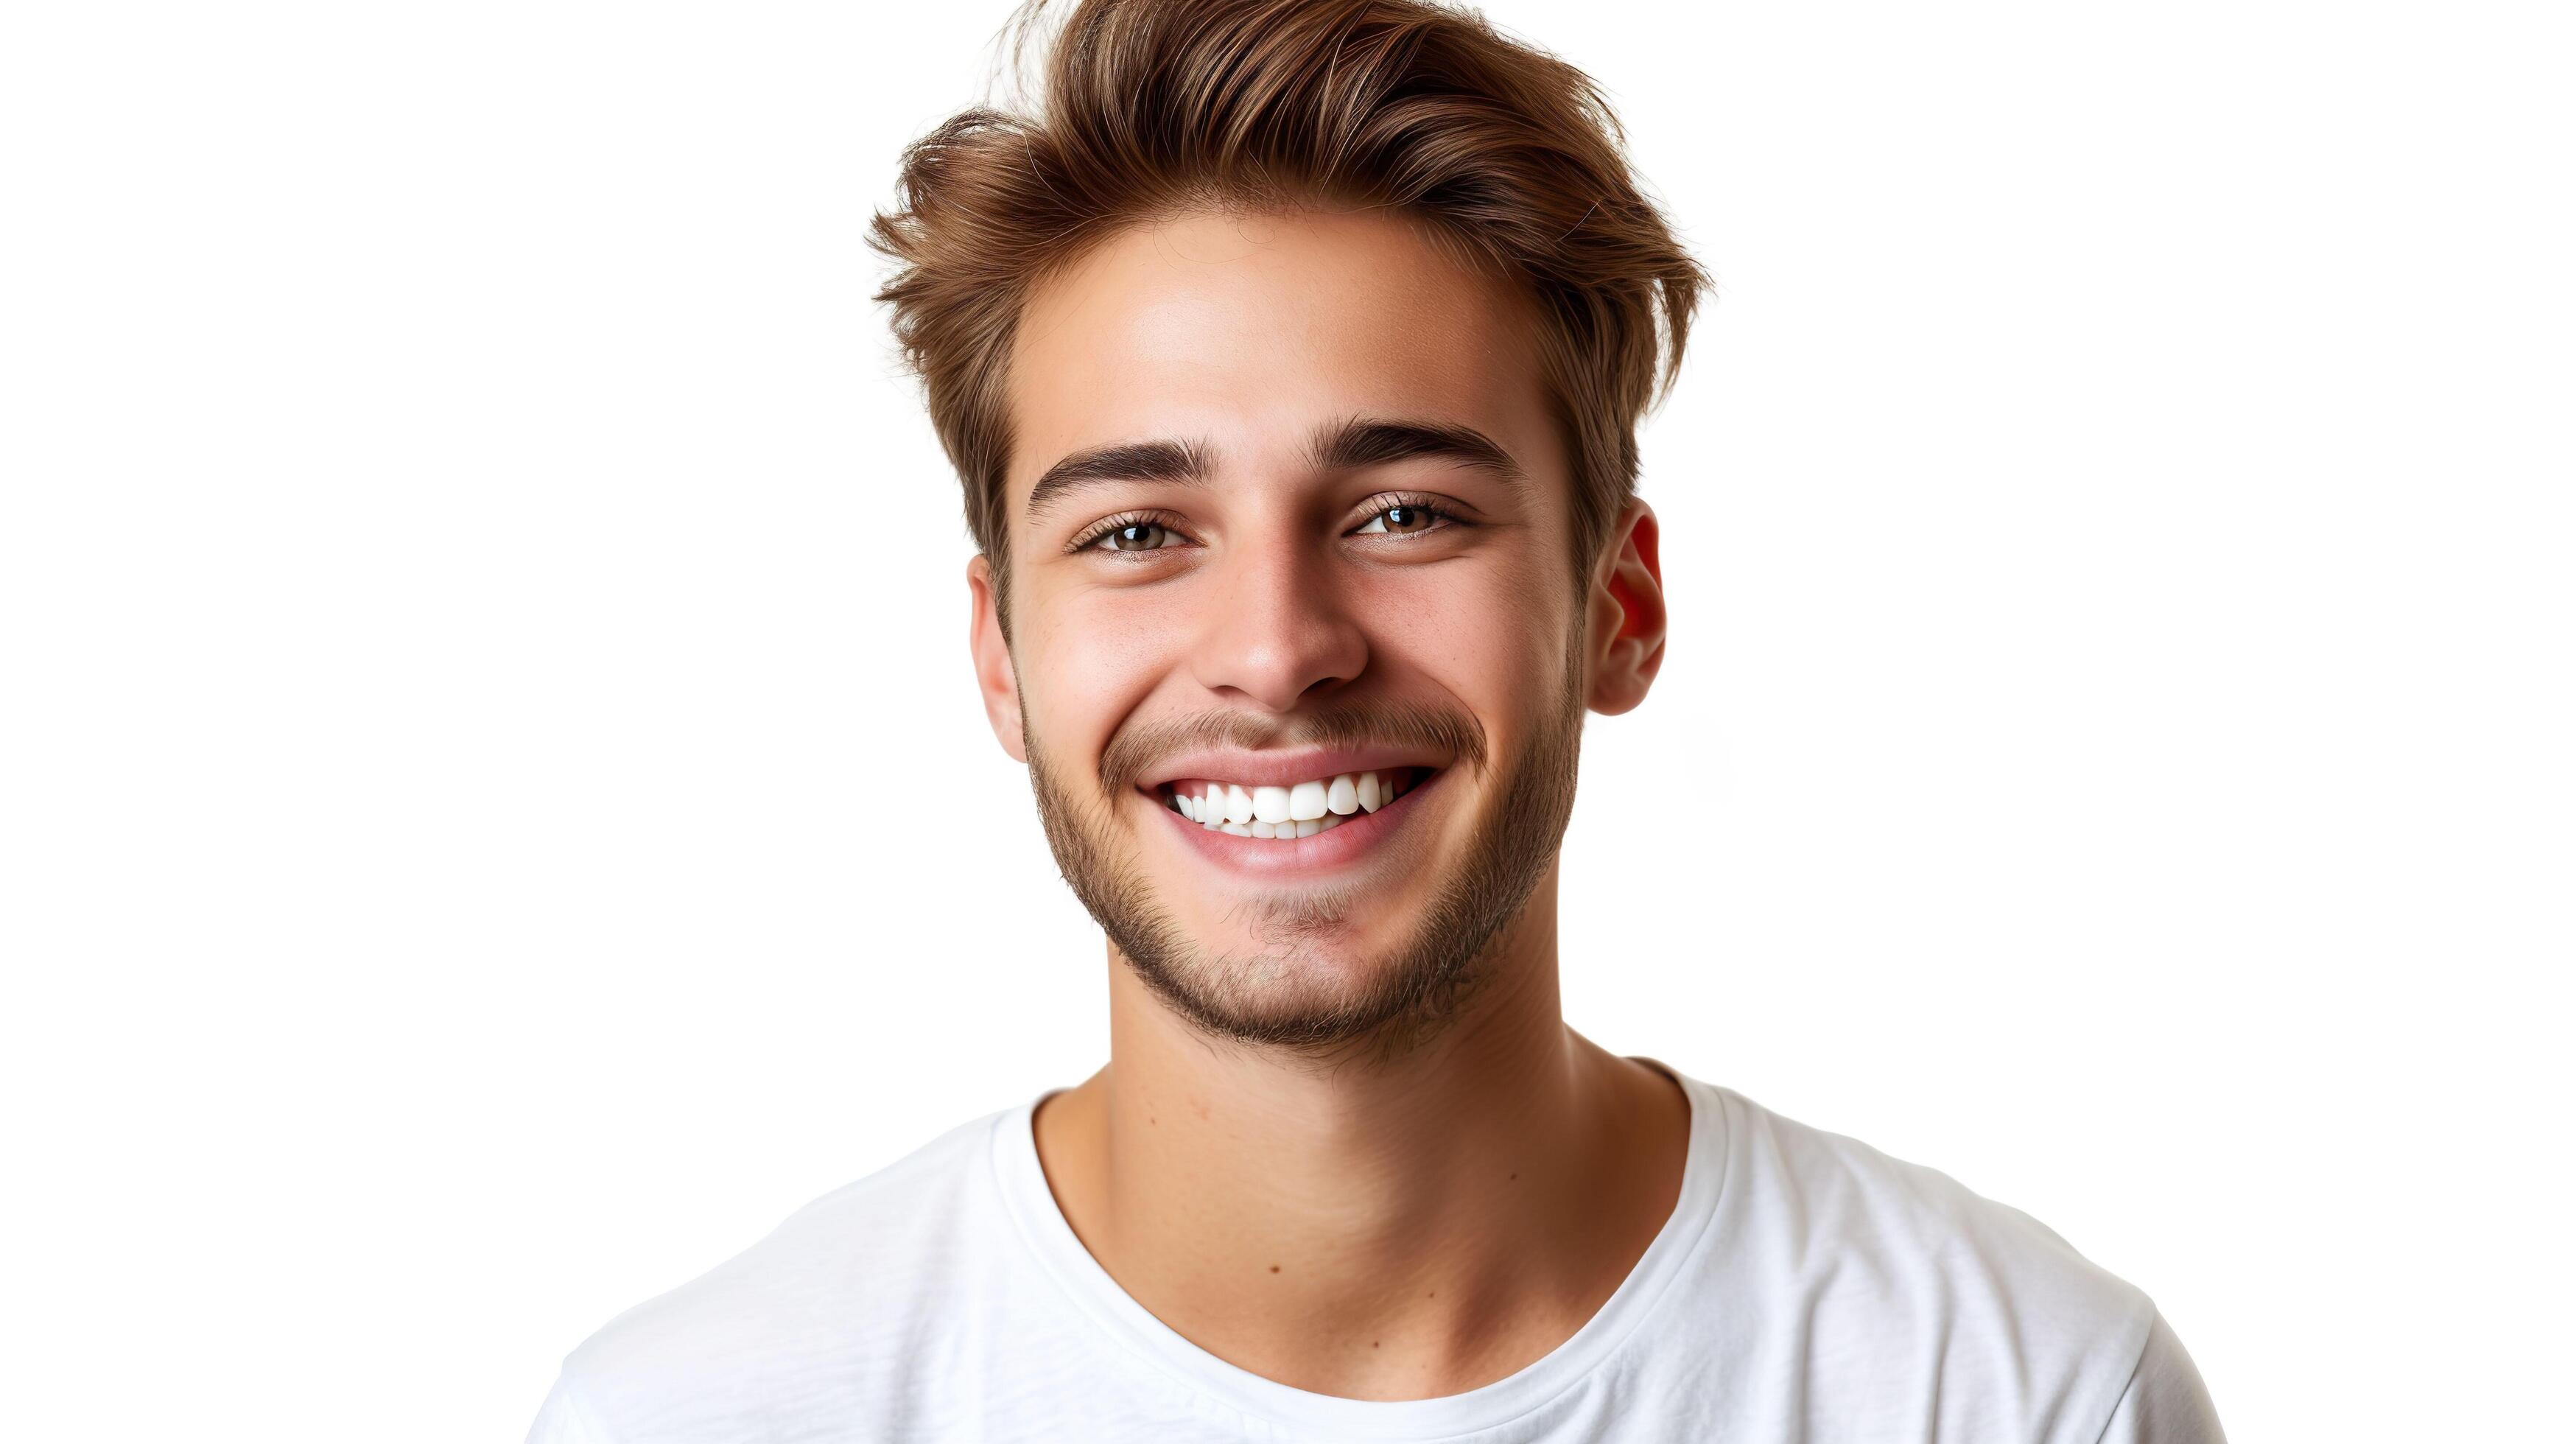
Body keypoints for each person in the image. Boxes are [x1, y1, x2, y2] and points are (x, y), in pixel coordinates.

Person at [526, 1, 2228, 1438]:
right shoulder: (702, 1412)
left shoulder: (2012, 1393)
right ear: (1001, 654)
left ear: (1616, 604)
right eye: (1135, 534)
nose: (1277, 651)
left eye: (1403, 510)